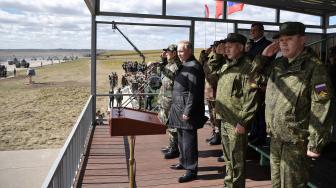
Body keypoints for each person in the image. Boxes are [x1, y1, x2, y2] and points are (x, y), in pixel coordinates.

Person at [260, 22, 334, 188]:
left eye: (289, 39)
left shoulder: (315, 68)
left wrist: (315, 143)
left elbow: (322, 105)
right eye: (281, 40)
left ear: (302, 40)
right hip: (275, 139)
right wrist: (263, 57)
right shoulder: (278, 65)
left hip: (296, 144)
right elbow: (253, 81)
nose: (283, 43)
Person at [209, 33, 259, 188]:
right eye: (226, 46)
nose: (227, 49)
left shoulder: (248, 68)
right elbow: (210, 73)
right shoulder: (226, 65)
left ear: (241, 47)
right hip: (224, 119)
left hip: (237, 122)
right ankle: (228, 184)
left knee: (237, 161)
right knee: (228, 158)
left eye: (230, 46)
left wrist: (243, 122)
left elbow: (251, 97)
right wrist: (216, 55)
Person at [168, 40, 207, 183]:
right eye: (178, 51)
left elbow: (194, 92)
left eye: (181, 51)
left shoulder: (194, 66)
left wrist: (188, 111)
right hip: (179, 108)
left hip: (186, 110)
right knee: (181, 139)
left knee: (189, 141)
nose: (179, 54)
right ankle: (184, 162)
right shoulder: (185, 64)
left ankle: (191, 169)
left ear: (190, 51)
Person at [153, 44, 182, 159]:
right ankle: (171, 145)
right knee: (168, 124)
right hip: (165, 99)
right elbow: (161, 72)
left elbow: (172, 77)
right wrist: (162, 59)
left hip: (172, 100)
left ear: (174, 53)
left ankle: (175, 149)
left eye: (168, 52)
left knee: (172, 125)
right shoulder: (169, 65)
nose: (166, 54)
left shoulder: (177, 65)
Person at [247, 22, 273, 146]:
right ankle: (253, 133)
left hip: (261, 82)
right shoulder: (251, 46)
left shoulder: (267, 45)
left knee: (260, 111)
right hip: (251, 82)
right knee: (253, 110)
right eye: (251, 31)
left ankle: (260, 137)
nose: (252, 33)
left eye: (255, 30)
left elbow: (267, 64)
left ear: (262, 31)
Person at [199, 40, 226, 145]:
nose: (214, 48)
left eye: (216, 46)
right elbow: (201, 63)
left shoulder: (222, 60)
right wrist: (205, 53)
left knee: (217, 117)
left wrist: (218, 54)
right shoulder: (211, 59)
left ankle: (218, 135)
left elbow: (212, 73)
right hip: (209, 93)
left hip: (216, 93)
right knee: (212, 116)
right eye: (214, 47)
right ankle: (215, 133)